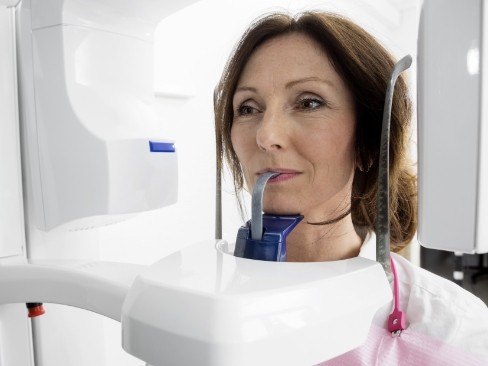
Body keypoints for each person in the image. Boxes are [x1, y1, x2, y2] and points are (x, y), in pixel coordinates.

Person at [214, 11, 488, 365]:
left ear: (368, 143)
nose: (266, 137)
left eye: (309, 102)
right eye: (248, 107)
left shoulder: (454, 328)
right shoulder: (196, 302)